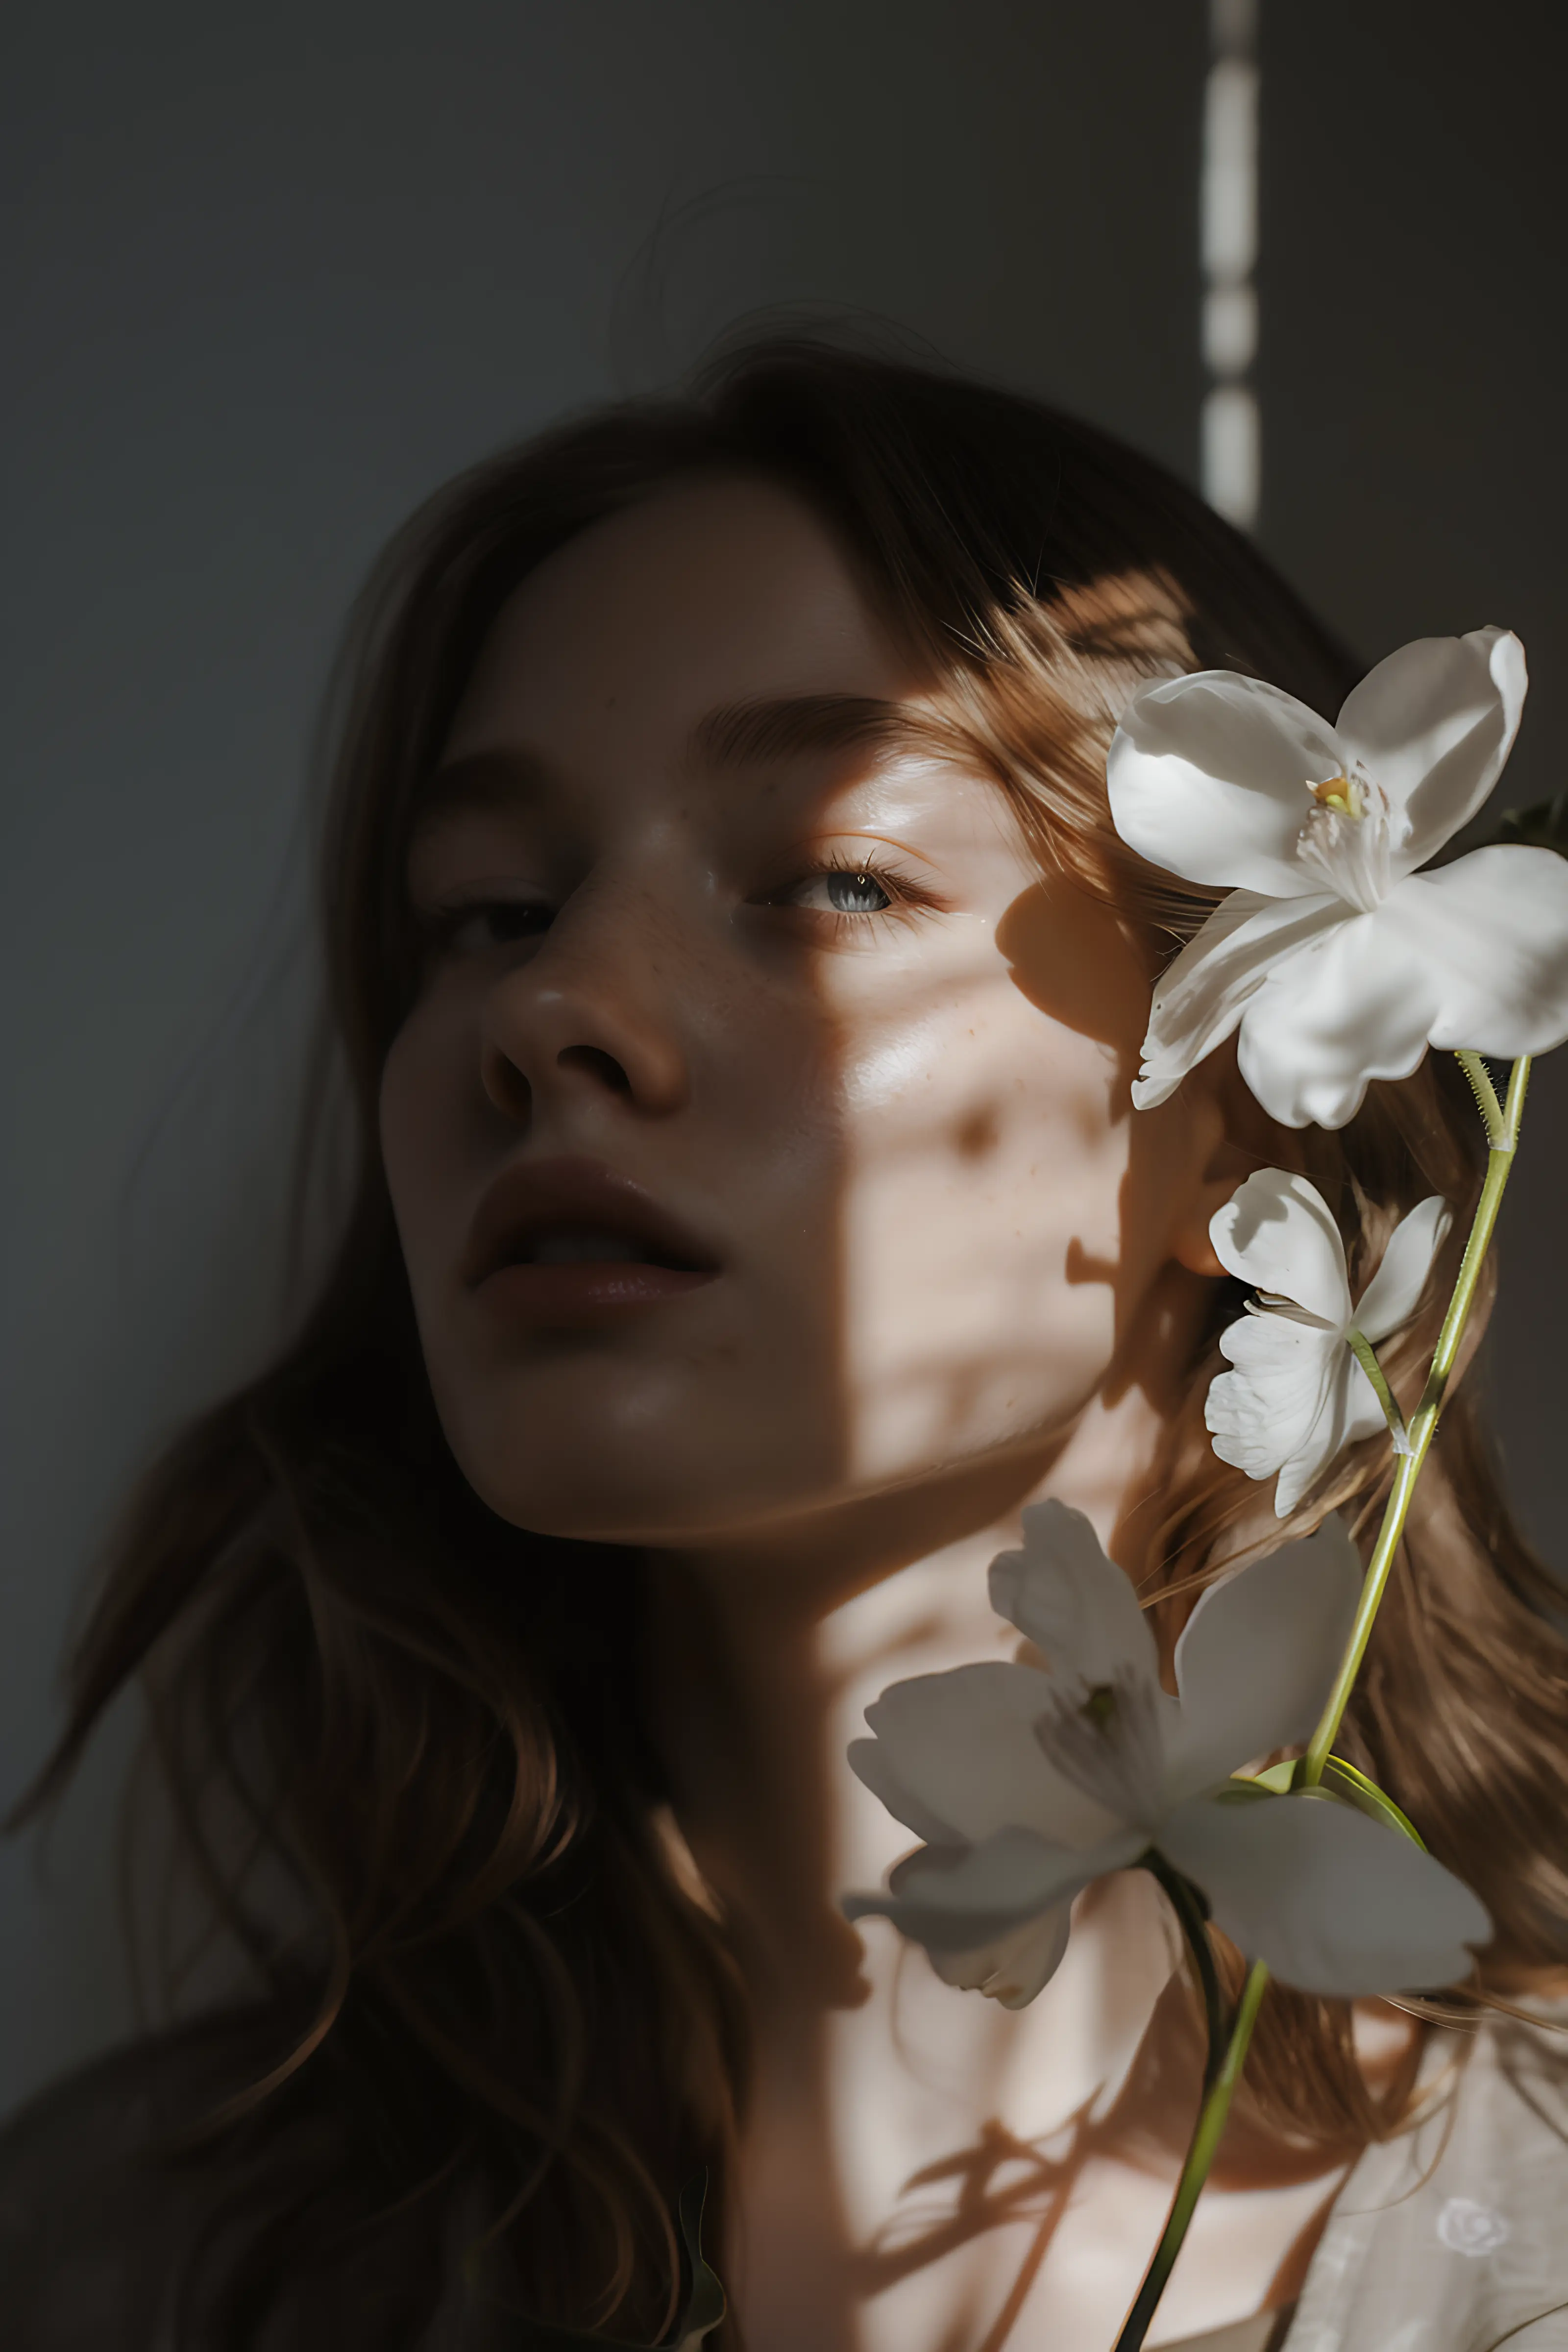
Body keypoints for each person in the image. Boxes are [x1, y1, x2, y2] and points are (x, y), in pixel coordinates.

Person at [2, 340, 1566, 2352]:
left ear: (1254, 1109)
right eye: (482, 912)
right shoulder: (132, 2271)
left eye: (832, 874)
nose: (549, 1004)